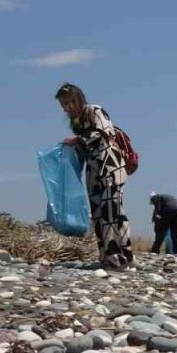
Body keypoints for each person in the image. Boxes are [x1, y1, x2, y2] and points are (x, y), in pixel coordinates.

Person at [56, 83, 134, 270]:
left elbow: (105, 133)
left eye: (69, 102)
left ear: (78, 99)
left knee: (112, 210)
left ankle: (121, 256)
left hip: (110, 166)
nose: (67, 108)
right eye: (63, 105)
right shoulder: (77, 122)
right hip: (94, 170)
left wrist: (78, 140)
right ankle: (108, 256)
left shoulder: (95, 111)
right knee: (98, 212)